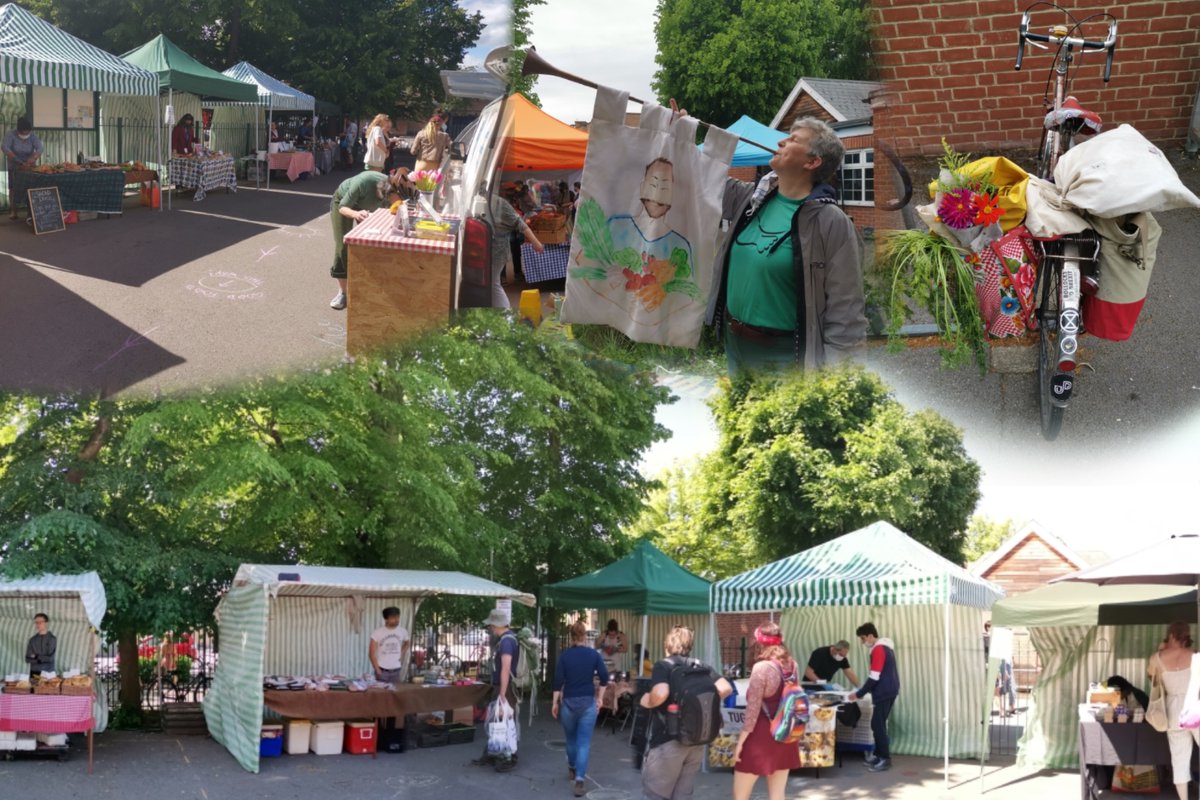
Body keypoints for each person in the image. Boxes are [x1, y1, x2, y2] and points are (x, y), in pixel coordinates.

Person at [703, 112, 867, 375]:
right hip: (736, 347)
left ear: (813, 161)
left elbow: (846, 312)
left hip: (786, 360)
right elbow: (703, 178)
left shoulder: (829, 222)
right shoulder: (750, 199)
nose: (780, 142)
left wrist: (836, 381)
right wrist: (679, 132)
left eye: (792, 139)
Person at [640, 625, 733, 800]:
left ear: (667, 644)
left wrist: (647, 700)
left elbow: (660, 694)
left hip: (668, 741)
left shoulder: (664, 665)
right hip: (696, 741)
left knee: (656, 794)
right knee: (682, 795)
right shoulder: (700, 666)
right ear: (689, 645)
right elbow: (726, 688)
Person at [732, 623, 802, 800]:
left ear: (759, 642)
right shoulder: (793, 665)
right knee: (778, 794)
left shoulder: (761, 668)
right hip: (785, 733)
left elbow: (752, 711)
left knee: (740, 795)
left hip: (761, 736)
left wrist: (740, 744)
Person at [327, 169, 405, 310]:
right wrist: (356, 213)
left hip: (365, 206)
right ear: (389, 193)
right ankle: (343, 292)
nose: (398, 204)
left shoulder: (393, 192)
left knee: (370, 243)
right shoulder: (363, 182)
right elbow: (343, 207)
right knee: (343, 245)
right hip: (343, 204)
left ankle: (367, 286)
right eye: (398, 201)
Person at [552, 621, 609, 797]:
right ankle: (579, 781)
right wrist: (599, 698)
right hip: (587, 704)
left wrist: (555, 703)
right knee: (583, 743)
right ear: (585, 636)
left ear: (571, 637)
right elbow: (605, 677)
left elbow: (557, 681)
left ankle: (571, 767)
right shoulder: (593, 655)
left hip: (568, 703)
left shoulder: (565, 656)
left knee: (570, 740)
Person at [1147, 621, 1198, 800]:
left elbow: (1150, 676)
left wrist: (1160, 649)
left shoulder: (1157, 657)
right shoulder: (1196, 655)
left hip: (1173, 712)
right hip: (1195, 708)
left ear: (1171, 636)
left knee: (1179, 760)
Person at [848, 622, 900, 772]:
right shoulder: (885, 648)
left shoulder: (878, 649)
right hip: (889, 690)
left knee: (877, 725)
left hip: (884, 691)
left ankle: (885, 759)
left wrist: (858, 694)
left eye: (863, 638)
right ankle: (879, 755)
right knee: (878, 724)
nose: (862, 642)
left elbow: (874, 677)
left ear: (871, 636)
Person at [474, 606, 520, 772]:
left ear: (495, 625)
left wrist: (502, 694)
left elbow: (505, 669)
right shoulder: (509, 638)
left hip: (504, 686)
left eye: (491, 626)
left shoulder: (506, 641)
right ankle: (495, 752)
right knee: (498, 719)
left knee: (504, 720)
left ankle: (508, 756)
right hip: (504, 686)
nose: (490, 629)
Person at [490, 193, 542, 308]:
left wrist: (536, 243)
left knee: (493, 284)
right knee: (492, 283)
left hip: (498, 250)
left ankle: (506, 314)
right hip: (493, 249)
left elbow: (521, 225)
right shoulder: (490, 201)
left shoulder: (500, 204)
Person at [3, 117, 42, 220]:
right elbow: (5, 147)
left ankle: (31, 212)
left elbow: (40, 148)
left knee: (31, 188)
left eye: (27, 133)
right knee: (13, 188)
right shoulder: (10, 135)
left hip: (30, 166)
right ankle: (13, 211)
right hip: (15, 166)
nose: (25, 135)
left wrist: (34, 157)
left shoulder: (33, 136)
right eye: (23, 133)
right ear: (18, 130)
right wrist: (17, 160)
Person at [369, 606, 410, 683]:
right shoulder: (377, 632)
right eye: (393, 617)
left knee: (394, 694)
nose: (397, 620)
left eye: (398, 617)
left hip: (396, 670)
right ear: (386, 619)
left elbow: (407, 643)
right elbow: (371, 654)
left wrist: (401, 652)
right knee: (381, 694)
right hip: (382, 671)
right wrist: (377, 669)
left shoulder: (403, 631)